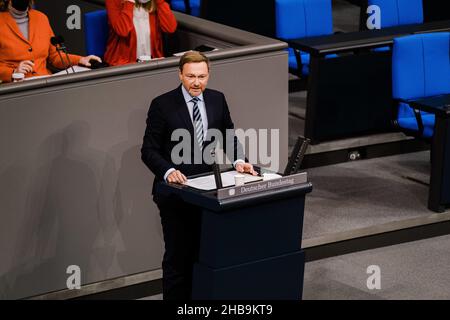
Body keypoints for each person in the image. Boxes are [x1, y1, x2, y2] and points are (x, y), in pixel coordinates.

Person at [141, 51, 256, 300]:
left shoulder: (217, 99)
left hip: (209, 192)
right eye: (191, 76)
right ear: (180, 74)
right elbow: (148, 150)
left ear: (209, 74)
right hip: (176, 194)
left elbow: (228, 135)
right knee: (178, 258)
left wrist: (238, 161)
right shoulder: (162, 104)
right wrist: (169, 171)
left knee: (204, 255)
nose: (196, 82)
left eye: (202, 76)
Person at [0, 0, 102, 83]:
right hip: (14, 88)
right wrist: (13, 72)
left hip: (45, 83)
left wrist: (81, 60)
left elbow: (55, 57)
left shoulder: (41, 18)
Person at [104, 0, 177, 66]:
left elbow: (170, 28)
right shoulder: (113, 1)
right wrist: (129, 3)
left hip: (152, 61)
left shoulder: (153, 2)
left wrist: (159, 2)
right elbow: (122, 30)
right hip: (122, 63)